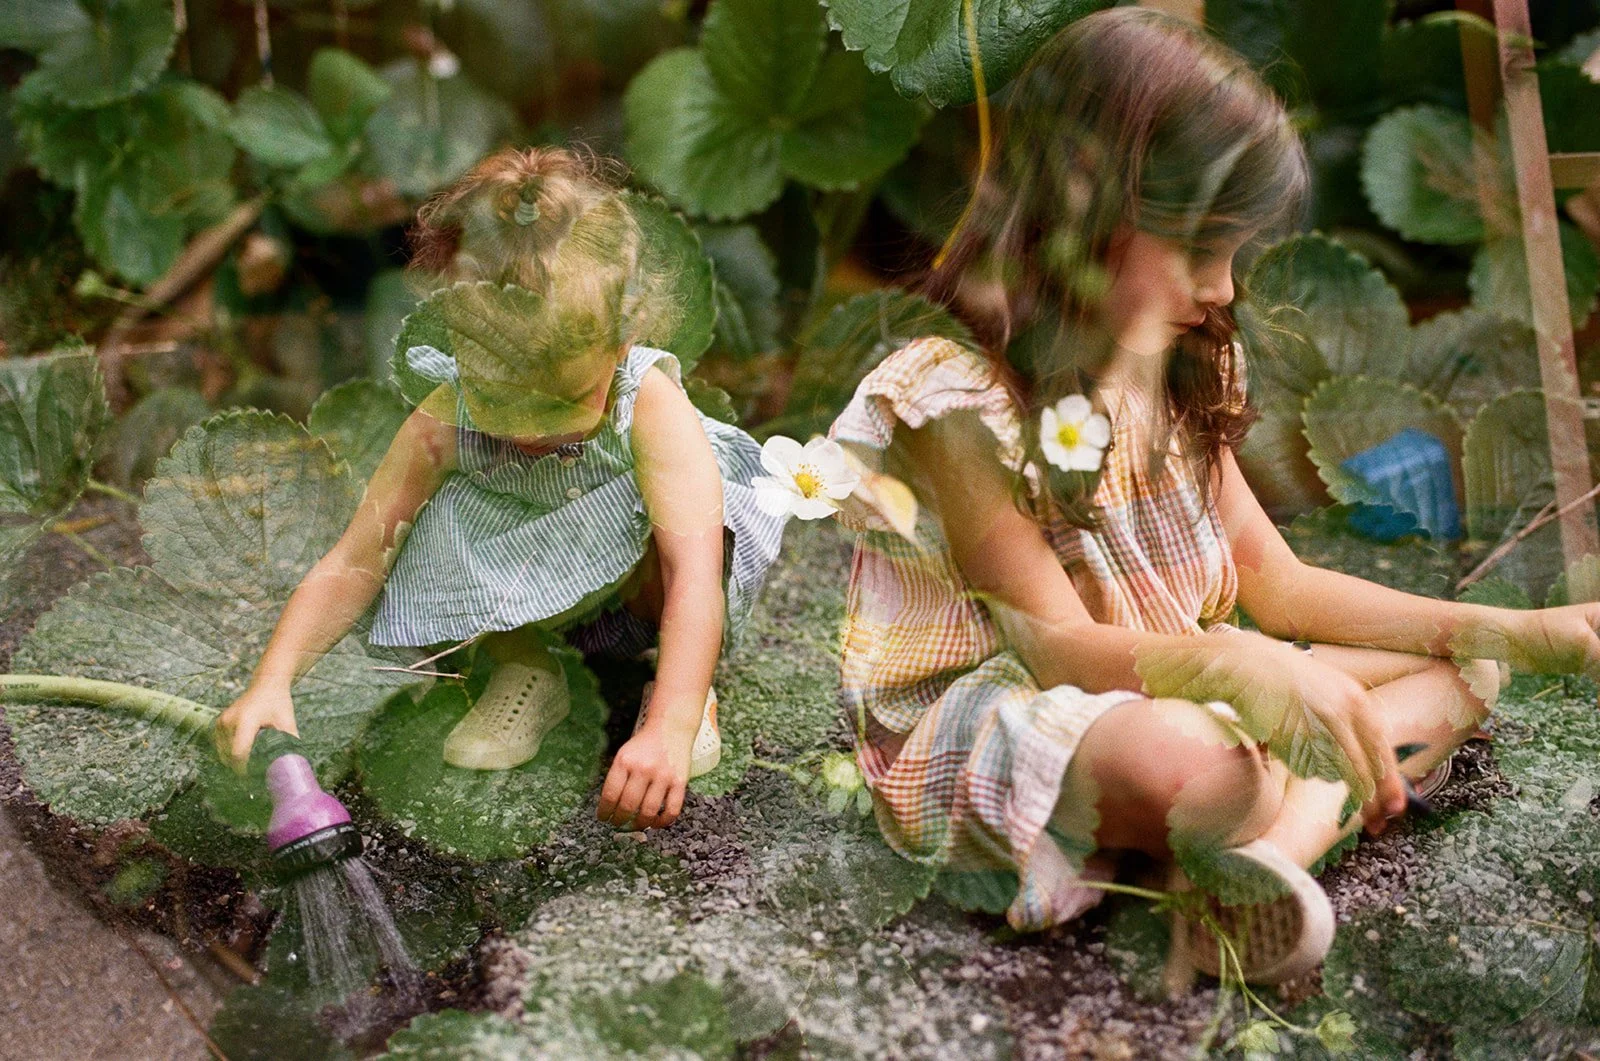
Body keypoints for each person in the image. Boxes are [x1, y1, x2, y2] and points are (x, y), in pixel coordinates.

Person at [827, 7, 1600, 983]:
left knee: (1464, 669)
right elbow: (1055, 648)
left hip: (1187, 681)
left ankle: (1265, 865)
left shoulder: (1176, 366)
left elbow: (1273, 582)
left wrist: (1498, 627)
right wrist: (1244, 674)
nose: (1225, 286)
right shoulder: (953, 399)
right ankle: (1257, 818)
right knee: (1201, 761)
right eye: (1200, 247)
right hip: (1039, 717)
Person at [215, 147, 786, 830]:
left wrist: (670, 723)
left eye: (565, 399)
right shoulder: (443, 418)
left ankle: (683, 688)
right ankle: (525, 665)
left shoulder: (649, 403)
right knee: (420, 527)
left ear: (624, 333)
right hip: (532, 591)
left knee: (699, 532)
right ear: (460, 341)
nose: (529, 431)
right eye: (499, 398)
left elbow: (693, 573)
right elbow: (355, 559)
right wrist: (272, 680)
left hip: (637, 592)